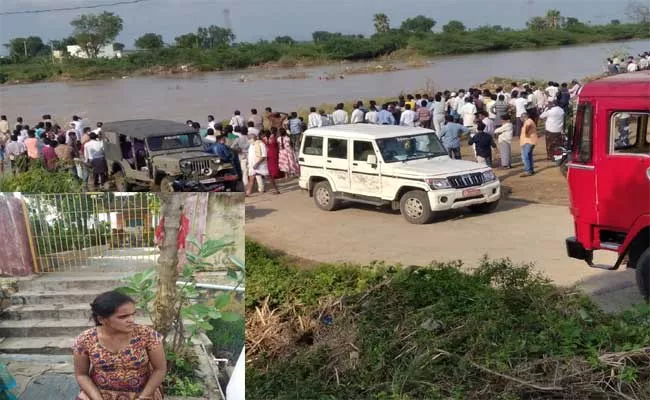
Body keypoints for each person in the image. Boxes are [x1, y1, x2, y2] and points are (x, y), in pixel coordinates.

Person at [73, 291, 166, 400]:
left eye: (133, 314)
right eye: (123, 317)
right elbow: (81, 375)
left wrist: (145, 396)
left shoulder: (147, 335)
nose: (131, 320)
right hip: (98, 393)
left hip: (141, 392)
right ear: (101, 319)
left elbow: (160, 369)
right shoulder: (86, 339)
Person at [519, 112, 538, 177]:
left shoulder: (528, 121)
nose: (520, 119)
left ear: (524, 117)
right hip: (529, 141)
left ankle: (528, 171)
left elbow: (528, 126)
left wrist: (526, 132)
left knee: (526, 156)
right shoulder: (529, 121)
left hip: (528, 141)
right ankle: (530, 170)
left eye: (521, 117)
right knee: (529, 156)